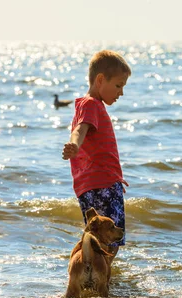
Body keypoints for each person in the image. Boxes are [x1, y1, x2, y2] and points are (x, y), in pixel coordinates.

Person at [62, 50, 131, 263]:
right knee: (111, 238)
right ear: (100, 80)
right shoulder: (91, 104)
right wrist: (74, 144)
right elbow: (80, 130)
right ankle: (101, 275)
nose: (120, 93)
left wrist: (116, 177)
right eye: (118, 85)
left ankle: (89, 274)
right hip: (103, 185)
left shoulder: (88, 105)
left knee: (96, 237)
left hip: (92, 185)